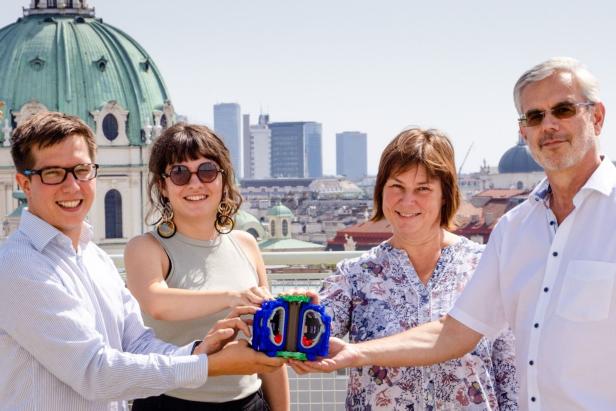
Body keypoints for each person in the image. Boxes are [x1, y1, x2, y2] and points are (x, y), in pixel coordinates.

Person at [292, 57, 616, 410]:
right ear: (524, 132)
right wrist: (350, 351)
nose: (549, 125)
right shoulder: (515, 230)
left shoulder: (481, 253)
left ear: (597, 117)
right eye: (535, 116)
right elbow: (453, 333)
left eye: (563, 109)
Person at [0, 112, 285, 411]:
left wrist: (200, 351)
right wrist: (207, 366)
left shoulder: (94, 258)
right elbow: (95, 373)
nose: (72, 186)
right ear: (24, 183)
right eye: (53, 173)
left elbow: (135, 344)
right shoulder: (19, 266)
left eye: (81, 170)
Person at [305, 128, 517, 410]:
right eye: (396, 187)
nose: (407, 201)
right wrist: (298, 312)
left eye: (423, 189)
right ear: (381, 191)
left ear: (445, 195)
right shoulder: (355, 275)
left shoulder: (483, 266)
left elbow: (510, 372)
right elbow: (314, 328)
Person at [124, 123, 289, 410]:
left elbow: (270, 345)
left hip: (249, 402)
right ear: (162, 186)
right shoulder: (146, 248)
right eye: (179, 173)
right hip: (171, 402)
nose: (195, 183)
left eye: (207, 171)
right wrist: (232, 297)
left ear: (223, 180)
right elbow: (157, 302)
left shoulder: (246, 244)